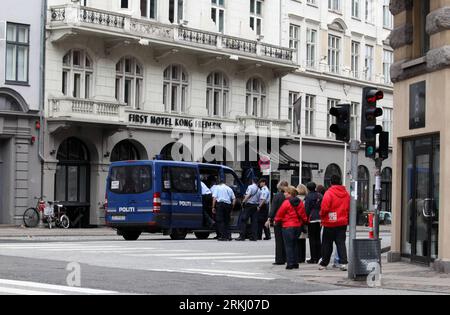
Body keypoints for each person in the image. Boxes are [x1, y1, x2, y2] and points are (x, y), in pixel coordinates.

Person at [319, 175, 350, 271]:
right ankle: (343, 263)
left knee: (327, 244)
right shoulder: (346, 193)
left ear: (331, 182)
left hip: (330, 222)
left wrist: (322, 216)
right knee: (341, 243)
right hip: (342, 222)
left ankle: (324, 263)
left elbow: (325, 208)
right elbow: (349, 208)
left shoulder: (329, 193)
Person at [274, 186, 308, 270]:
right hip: (297, 226)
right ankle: (296, 262)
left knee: (288, 245)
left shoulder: (286, 202)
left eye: (285, 192)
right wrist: (304, 222)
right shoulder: (299, 202)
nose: (284, 194)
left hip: (288, 226)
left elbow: (279, 214)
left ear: (289, 193)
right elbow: (303, 214)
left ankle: (290, 263)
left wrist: (276, 220)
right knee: (295, 244)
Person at [266, 181, 289, 265]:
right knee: (286, 240)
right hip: (287, 220)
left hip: (278, 220)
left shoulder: (277, 196)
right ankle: (287, 257)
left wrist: (269, 218)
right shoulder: (289, 195)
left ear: (279, 187)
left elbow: (273, 208)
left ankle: (279, 259)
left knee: (279, 241)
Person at [305, 182, 323, 264]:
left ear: (308, 188)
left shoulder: (308, 196)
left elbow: (307, 208)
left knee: (312, 239)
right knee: (318, 238)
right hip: (319, 218)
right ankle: (319, 256)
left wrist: (306, 218)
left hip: (311, 218)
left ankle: (313, 258)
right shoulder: (320, 195)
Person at [296, 184, 308, 264]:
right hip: (305, 221)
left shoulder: (296, 199)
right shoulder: (306, 199)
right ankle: (302, 257)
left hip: (298, 221)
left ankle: (298, 257)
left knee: (297, 241)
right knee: (303, 241)